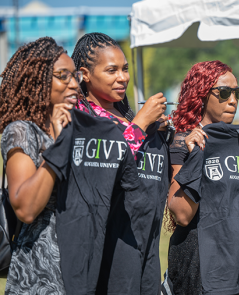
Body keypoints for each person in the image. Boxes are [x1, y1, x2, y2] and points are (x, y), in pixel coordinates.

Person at [71, 32, 169, 294]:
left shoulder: (126, 115)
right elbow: (105, 164)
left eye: (125, 69)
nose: (123, 77)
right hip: (111, 237)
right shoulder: (81, 118)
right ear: (85, 74)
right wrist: (140, 124)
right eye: (111, 70)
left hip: (145, 235)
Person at [166, 60, 239, 294]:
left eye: (238, 93)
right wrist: (197, 156)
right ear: (202, 95)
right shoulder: (183, 142)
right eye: (224, 93)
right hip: (198, 259)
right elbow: (182, 215)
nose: (233, 100)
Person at [0, 37, 79, 294]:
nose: (74, 84)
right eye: (62, 76)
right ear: (37, 81)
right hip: (39, 273)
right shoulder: (22, 132)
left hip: (80, 265)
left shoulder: (77, 128)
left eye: (75, 76)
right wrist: (57, 146)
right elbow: (26, 208)